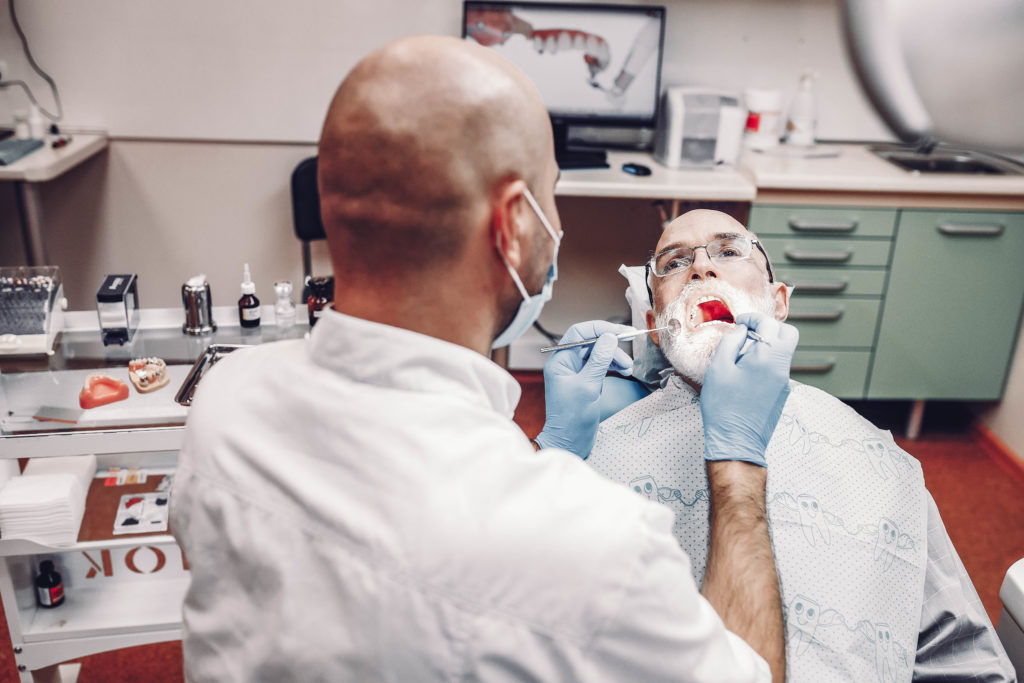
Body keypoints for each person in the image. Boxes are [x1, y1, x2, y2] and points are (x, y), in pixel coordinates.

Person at [170, 37, 798, 681]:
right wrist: (738, 464)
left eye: (726, 253)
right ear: (515, 225)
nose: (700, 269)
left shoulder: (223, 404)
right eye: (550, 195)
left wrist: (554, 451)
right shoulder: (604, 548)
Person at [585, 209, 1015, 682]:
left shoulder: (882, 462)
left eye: (728, 252)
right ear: (653, 322)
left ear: (778, 301)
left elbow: (960, 652)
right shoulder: (596, 453)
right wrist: (554, 449)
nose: (701, 269)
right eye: (673, 262)